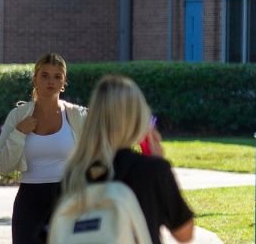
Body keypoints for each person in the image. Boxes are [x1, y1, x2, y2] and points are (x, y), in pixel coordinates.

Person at [59, 75, 196, 243]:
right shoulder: (153, 170)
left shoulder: (74, 170)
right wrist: (158, 163)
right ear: (136, 118)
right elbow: (184, 233)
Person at [0, 54, 86, 244]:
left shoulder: (78, 116)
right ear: (35, 79)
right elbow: (3, 165)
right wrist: (19, 133)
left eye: (57, 76)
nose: (50, 81)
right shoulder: (18, 116)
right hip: (29, 200)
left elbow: (100, 154)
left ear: (64, 82)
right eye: (44, 75)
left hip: (68, 198)